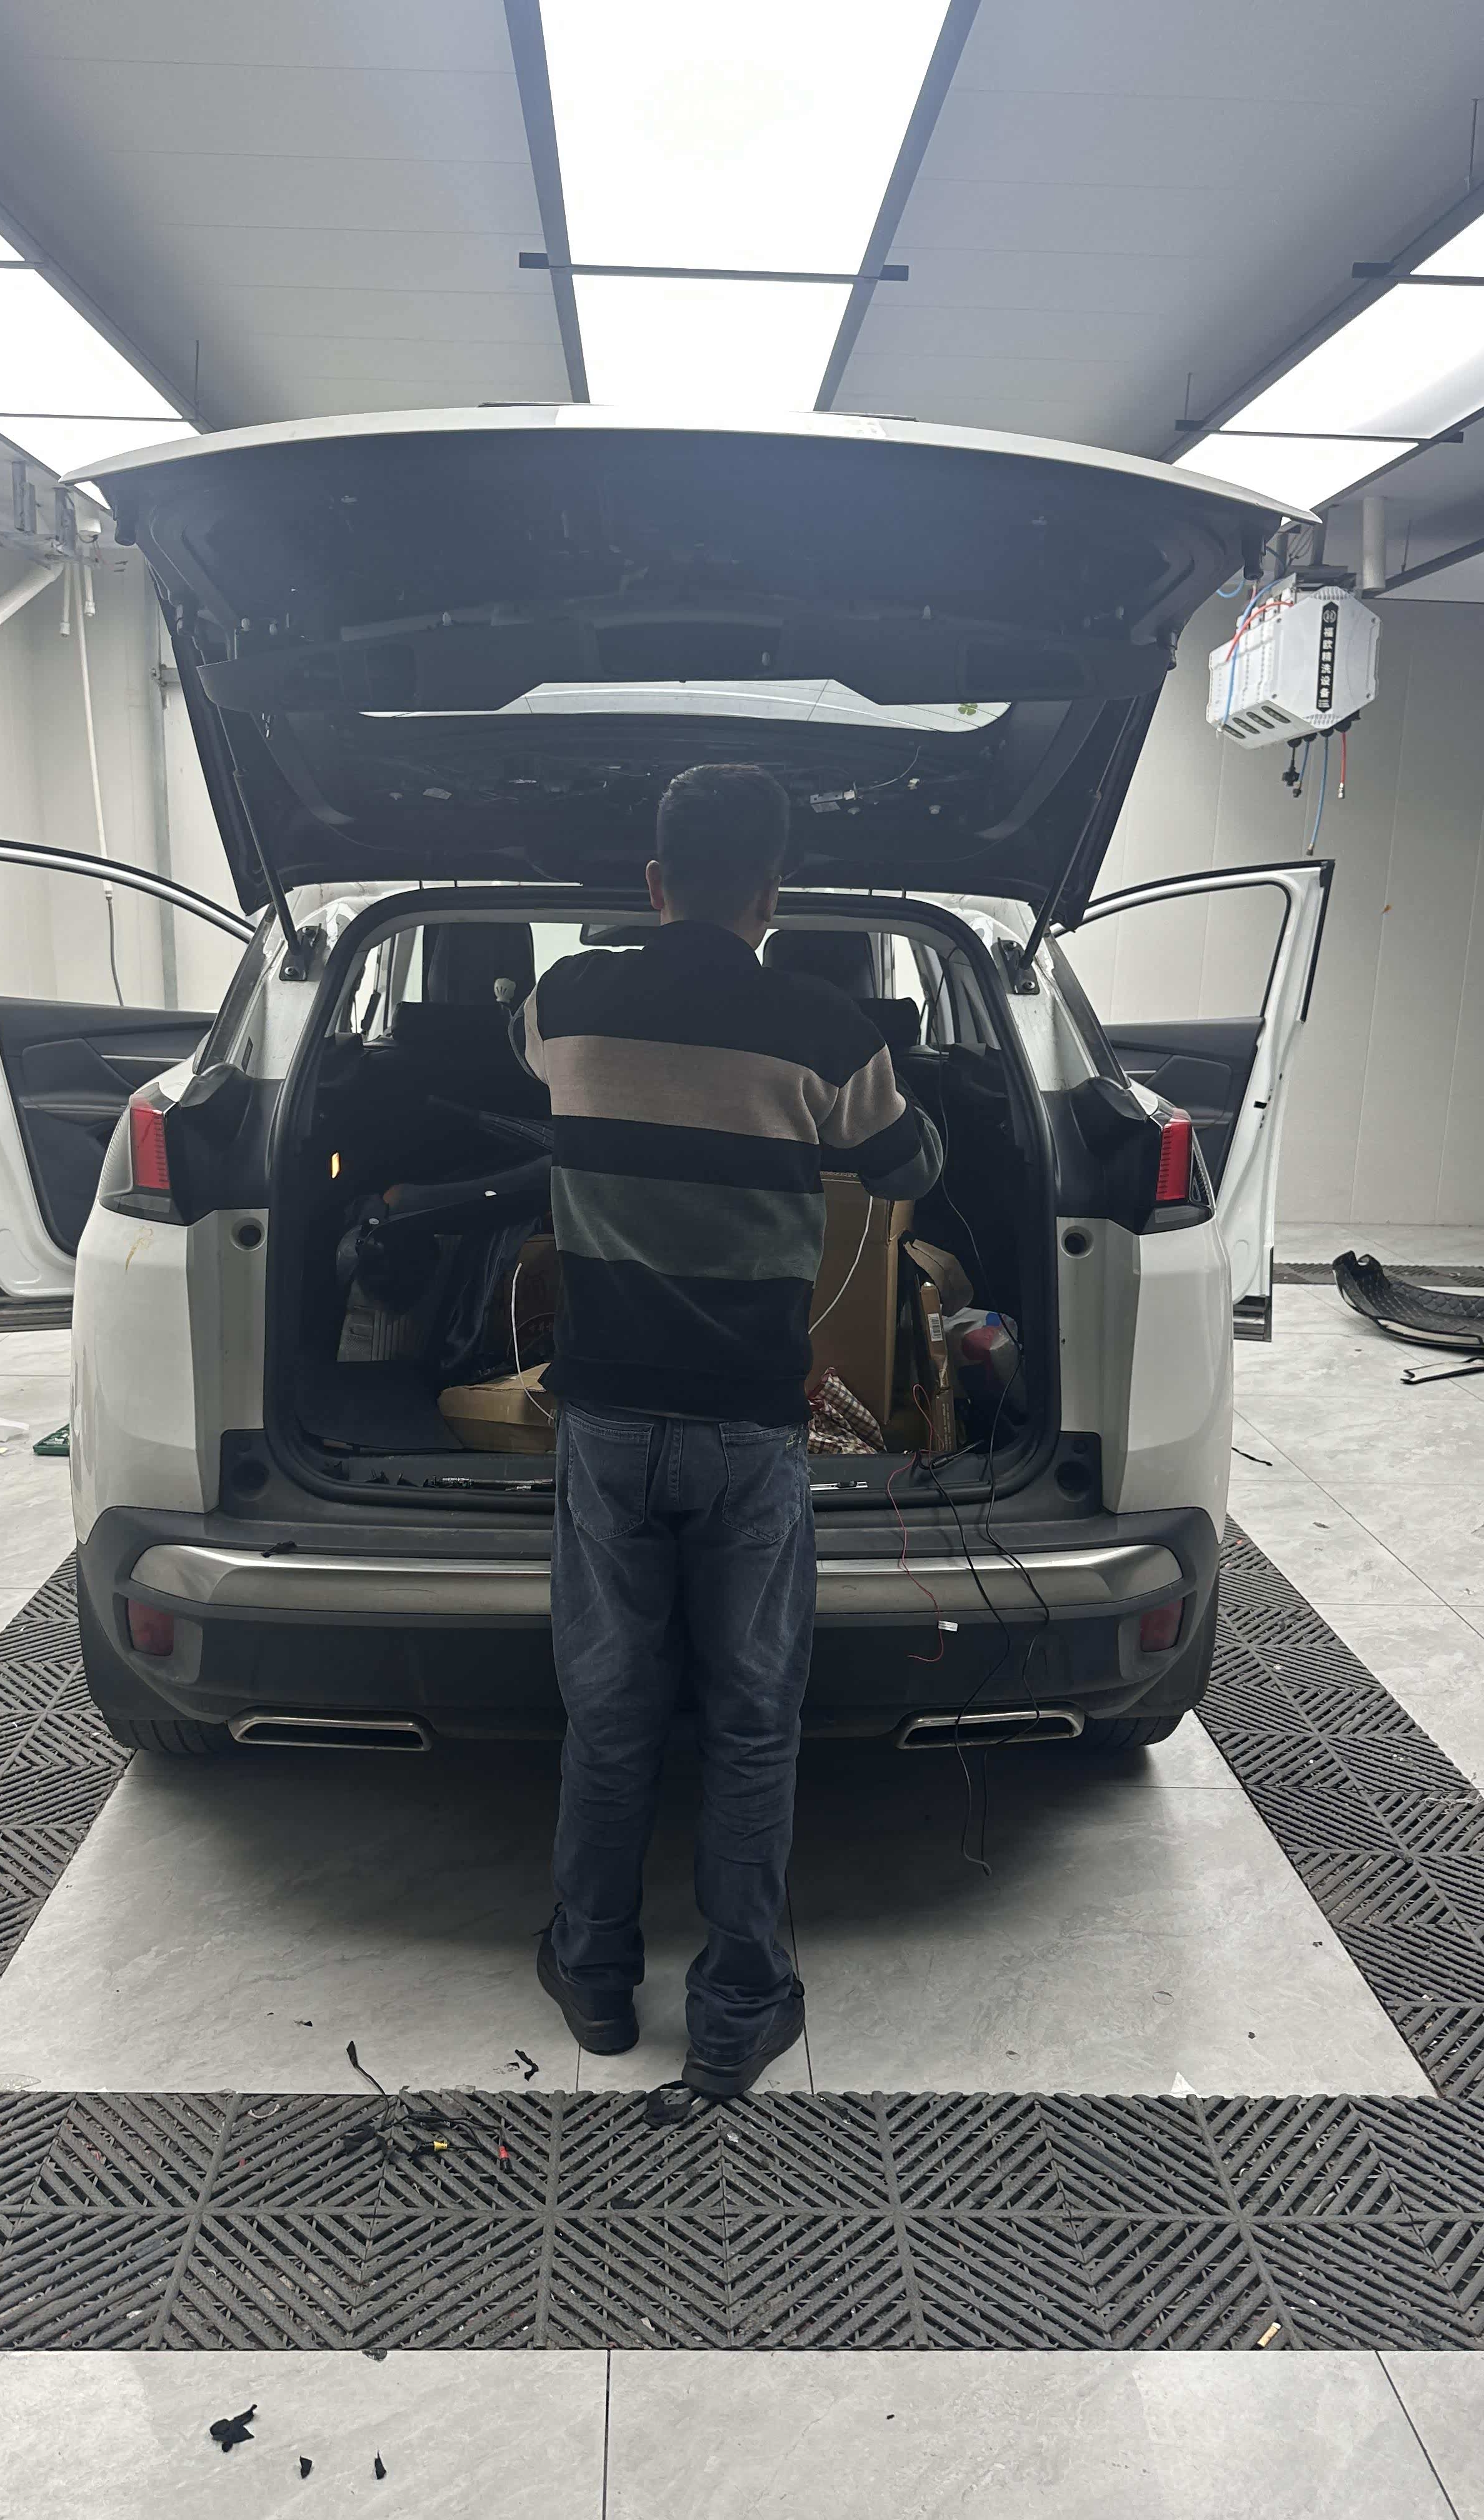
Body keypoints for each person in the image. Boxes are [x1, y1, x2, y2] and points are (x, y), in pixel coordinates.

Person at [513, 761, 944, 2094]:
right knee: (754, 1719)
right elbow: (910, 1165)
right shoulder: (824, 1031)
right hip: (751, 1430)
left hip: (604, 1419)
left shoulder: (565, 1001)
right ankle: (737, 2006)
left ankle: (594, 1978)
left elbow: (522, 1058)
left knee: (610, 1710)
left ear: (653, 882)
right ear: (773, 894)